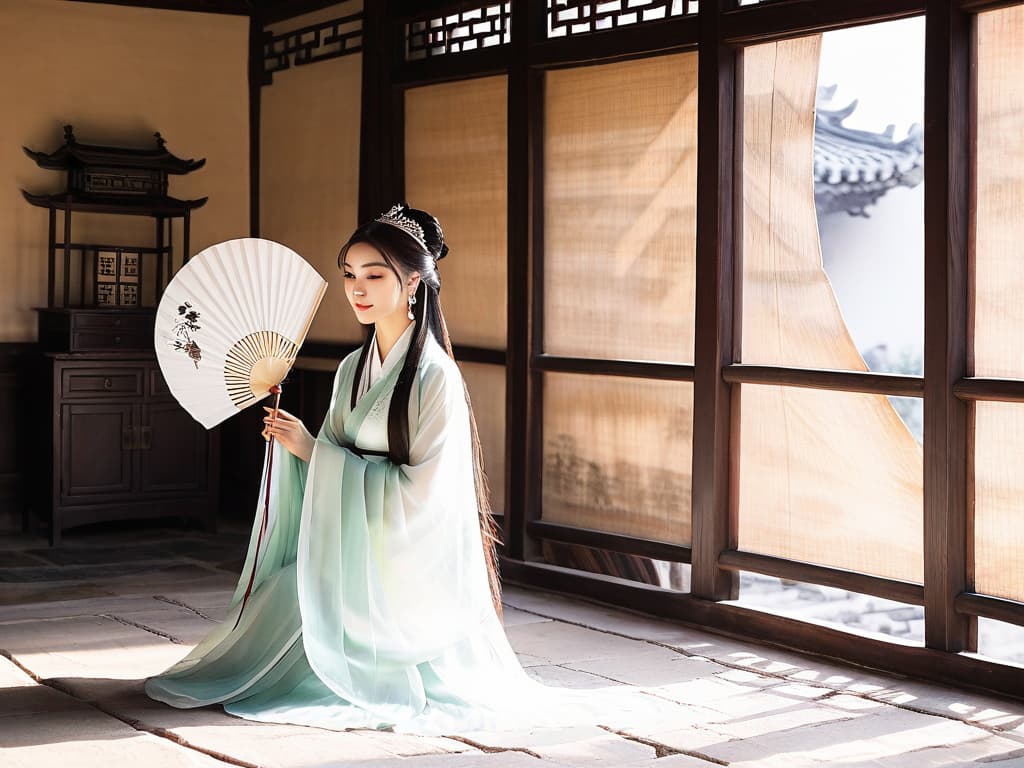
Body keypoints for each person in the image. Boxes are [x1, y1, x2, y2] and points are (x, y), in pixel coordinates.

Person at [145, 203, 650, 734]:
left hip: (405, 567)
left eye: (374, 274)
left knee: (303, 612)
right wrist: (296, 446)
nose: (357, 289)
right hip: (354, 547)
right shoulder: (352, 367)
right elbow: (335, 456)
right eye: (349, 275)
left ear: (412, 282)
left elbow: (424, 498)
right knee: (282, 599)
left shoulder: (436, 378)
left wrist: (316, 452)